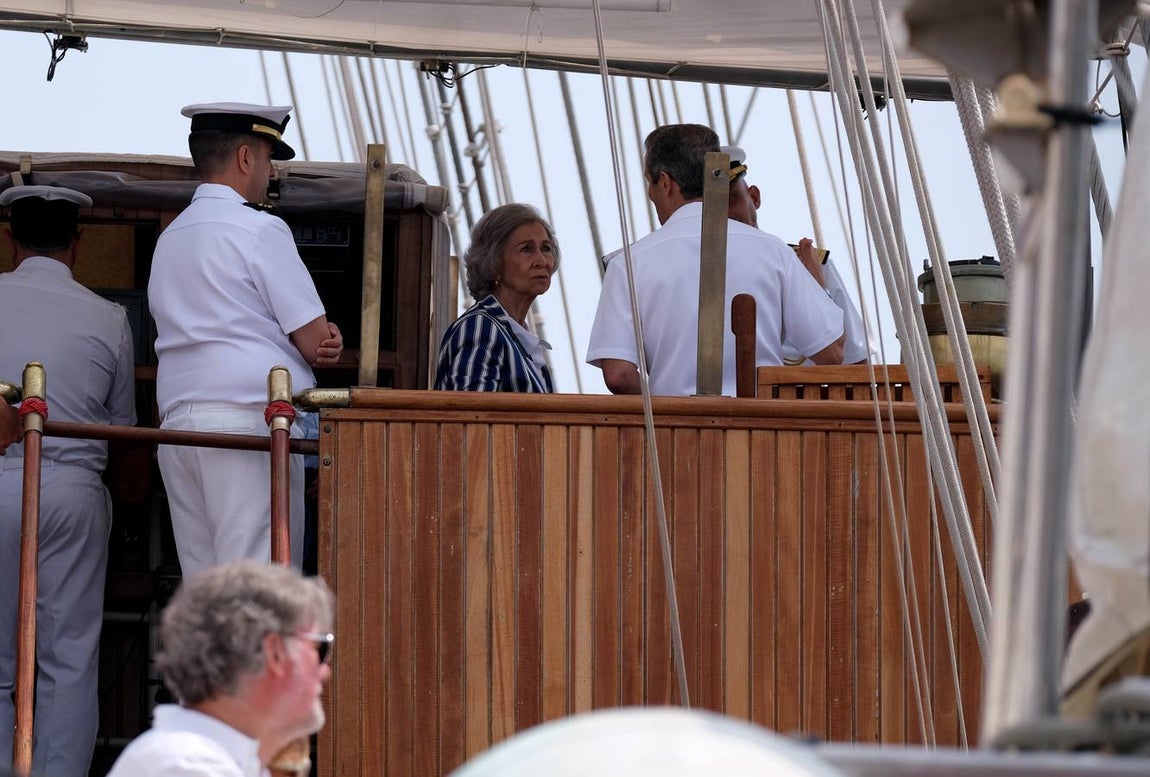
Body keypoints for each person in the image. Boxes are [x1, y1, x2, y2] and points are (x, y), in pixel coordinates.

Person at [149, 102, 343, 578]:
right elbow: (315, 339)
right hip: (249, 428)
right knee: (260, 592)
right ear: (244, 157)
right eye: (269, 157)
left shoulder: (169, 237)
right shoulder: (260, 228)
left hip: (179, 430)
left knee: (207, 595)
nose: (272, 171)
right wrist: (330, 341)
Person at [0, 185, 136, 777]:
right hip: (74, 490)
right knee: (67, 660)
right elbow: (124, 430)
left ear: (9, 242)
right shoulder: (109, 318)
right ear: (77, 246)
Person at [587, 124, 845, 396]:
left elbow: (618, 375)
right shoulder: (774, 251)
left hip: (676, 433)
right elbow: (832, 352)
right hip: (760, 429)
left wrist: (664, 411)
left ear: (665, 182)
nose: (651, 194)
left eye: (650, 183)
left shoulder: (628, 263)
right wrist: (819, 287)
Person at [106, 561, 334, 777]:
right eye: (319, 648)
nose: (325, 671)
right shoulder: (186, 766)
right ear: (274, 652)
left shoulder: (203, 759)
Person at [722, 144, 874, 365]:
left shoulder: (810, 264)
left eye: (730, 199)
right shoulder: (695, 274)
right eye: (713, 206)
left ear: (754, 197)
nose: (725, 214)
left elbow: (857, 364)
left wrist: (818, 291)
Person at [435, 203, 559, 392]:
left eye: (546, 248)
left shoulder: (516, 338)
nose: (541, 261)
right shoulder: (480, 327)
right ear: (494, 263)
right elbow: (471, 415)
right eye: (526, 249)